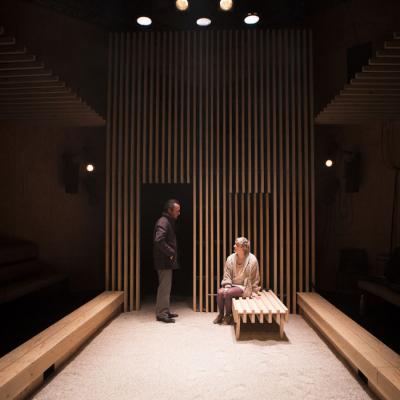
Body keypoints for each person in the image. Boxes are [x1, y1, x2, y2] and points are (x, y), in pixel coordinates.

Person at [214, 237, 260, 325]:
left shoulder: (252, 260)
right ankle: (220, 314)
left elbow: (255, 278)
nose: (234, 246)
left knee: (228, 293)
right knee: (220, 292)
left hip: (244, 286)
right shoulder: (230, 258)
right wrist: (227, 285)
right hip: (231, 284)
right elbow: (226, 274)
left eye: (237, 245)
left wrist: (254, 291)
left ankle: (228, 316)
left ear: (243, 248)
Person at [153, 199, 181, 323]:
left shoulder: (166, 221)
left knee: (166, 287)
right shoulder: (163, 221)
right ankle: (161, 314)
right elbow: (159, 240)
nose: (179, 213)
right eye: (177, 210)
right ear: (169, 210)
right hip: (164, 261)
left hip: (165, 261)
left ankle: (164, 310)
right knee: (164, 287)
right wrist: (171, 252)